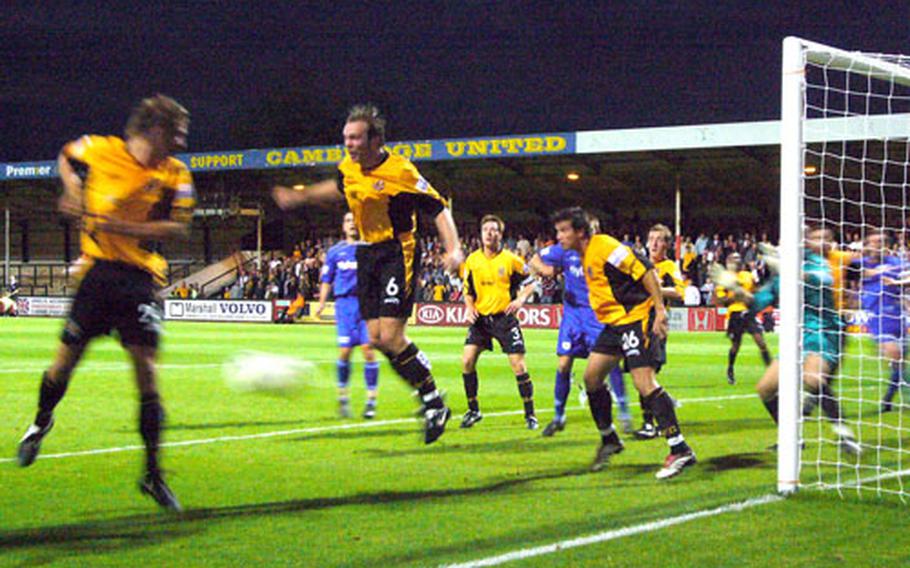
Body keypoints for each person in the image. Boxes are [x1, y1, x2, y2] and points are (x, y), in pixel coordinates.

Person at [16, 94, 194, 511]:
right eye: (178, 132)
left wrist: (123, 225)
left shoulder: (175, 174)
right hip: (97, 276)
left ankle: (153, 474)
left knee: (147, 376)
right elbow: (65, 155)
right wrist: (73, 187)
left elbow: (180, 229)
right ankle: (41, 422)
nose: (183, 142)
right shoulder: (101, 150)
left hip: (140, 280)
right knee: (64, 365)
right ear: (155, 128)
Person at [272, 104, 463, 444]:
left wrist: (454, 249)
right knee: (375, 339)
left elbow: (437, 208)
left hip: (396, 251)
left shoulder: (401, 170)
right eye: (346, 137)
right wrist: (298, 197)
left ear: (375, 140)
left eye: (356, 138)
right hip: (366, 253)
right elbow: (337, 188)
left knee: (389, 337)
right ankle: (425, 385)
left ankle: (433, 400)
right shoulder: (349, 168)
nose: (349, 144)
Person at [551, 207, 696, 479]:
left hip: (634, 318)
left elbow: (645, 270)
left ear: (580, 232)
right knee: (592, 379)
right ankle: (610, 439)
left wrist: (660, 311)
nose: (559, 236)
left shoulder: (605, 246)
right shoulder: (581, 254)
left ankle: (680, 448)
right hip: (614, 325)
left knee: (644, 383)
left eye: (563, 230)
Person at [744, 227, 860, 454]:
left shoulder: (816, 262)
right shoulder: (779, 275)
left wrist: (789, 271)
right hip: (795, 337)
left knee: (813, 380)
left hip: (823, 332)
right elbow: (757, 302)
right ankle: (791, 437)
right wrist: (734, 290)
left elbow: (820, 279)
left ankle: (844, 433)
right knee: (765, 389)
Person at [529, 214, 611, 437]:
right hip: (573, 317)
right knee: (564, 364)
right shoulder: (565, 251)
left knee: (602, 369)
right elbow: (534, 259)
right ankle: (559, 416)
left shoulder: (602, 253)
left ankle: (614, 415)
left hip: (597, 316)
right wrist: (548, 271)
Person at [459, 215, 538, 430]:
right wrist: (469, 307)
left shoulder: (511, 259)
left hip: (504, 319)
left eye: (494, 230)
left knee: (518, 366)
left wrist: (520, 299)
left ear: (500, 235)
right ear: (481, 234)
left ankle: (530, 414)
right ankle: (473, 410)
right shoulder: (472, 260)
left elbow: (532, 281)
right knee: (466, 361)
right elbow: (468, 290)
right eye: (486, 229)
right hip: (481, 320)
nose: (489, 233)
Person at [316, 211, 380, 419]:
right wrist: (321, 302)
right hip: (344, 306)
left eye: (355, 221)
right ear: (343, 226)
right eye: (348, 221)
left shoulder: (370, 249)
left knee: (368, 351)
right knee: (344, 351)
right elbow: (327, 279)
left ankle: (371, 401)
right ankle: (343, 397)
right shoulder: (335, 252)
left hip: (366, 304)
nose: (352, 224)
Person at [633, 223, 687, 440]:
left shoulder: (668, 266)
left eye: (658, 239)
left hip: (656, 323)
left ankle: (650, 422)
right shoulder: (640, 264)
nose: (654, 243)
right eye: (651, 238)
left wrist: (654, 288)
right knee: (641, 373)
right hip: (637, 322)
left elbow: (680, 292)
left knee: (646, 372)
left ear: (666, 244)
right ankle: (658, 408)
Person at [851, 231, 910, 411]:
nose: (878, 245)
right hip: (878, 319)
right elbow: (847, 271)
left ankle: (887, 400)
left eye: (882, 242)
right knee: (895, 355)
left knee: (898, 365)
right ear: (866, 245)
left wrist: (897, 283)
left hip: (898, 318)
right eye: (874, 242)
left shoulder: (896, 264)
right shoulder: (859, 265)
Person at [713, 252, 772, 384]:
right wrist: (734, 296)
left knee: (761, 342)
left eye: (739, 259)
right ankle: (730, 369)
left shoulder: (748, 275)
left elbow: (756, 292)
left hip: (749, 312)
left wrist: (750, 297)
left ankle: (771, 372)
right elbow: (719, 300)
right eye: (734, 259)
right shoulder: (726, 279)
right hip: (735, 314)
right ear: (729, 262)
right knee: (736, 345)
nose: (737, 262)